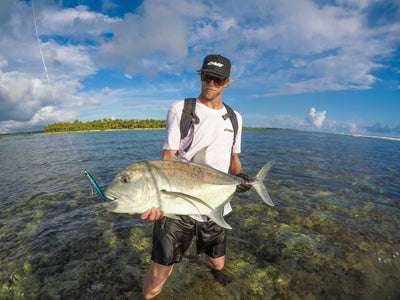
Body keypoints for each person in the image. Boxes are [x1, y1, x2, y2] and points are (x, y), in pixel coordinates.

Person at [140, 54, 250, 299]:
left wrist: (241, 176)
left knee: (218, 263)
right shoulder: (181, 109)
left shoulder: (235, 118)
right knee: (159, 274)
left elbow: (233, 159)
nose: (211, 83)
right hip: (180, 207)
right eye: (207, 77)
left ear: (227, 82)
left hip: (217, 204)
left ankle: (216, 279)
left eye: (218, 79)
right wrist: (157, 200)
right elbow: (167, 159)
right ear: (200, 76)